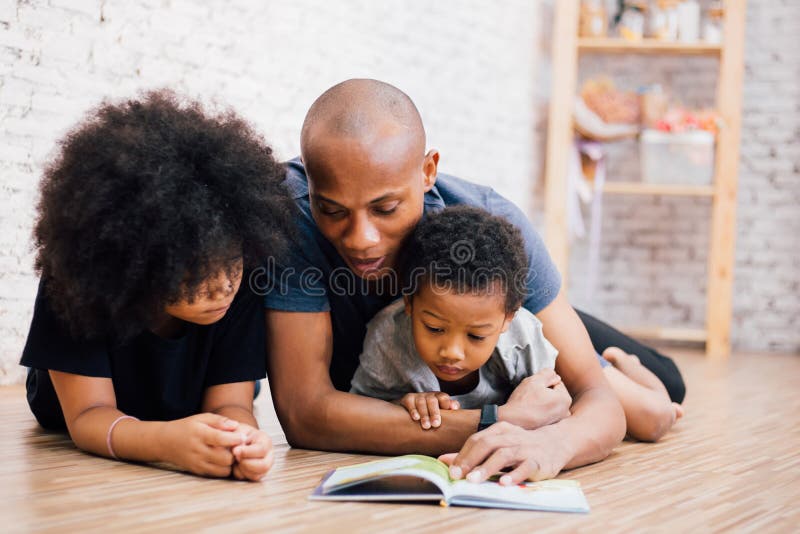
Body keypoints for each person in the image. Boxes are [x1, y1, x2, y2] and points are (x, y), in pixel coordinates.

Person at [262, 78, 685, 484]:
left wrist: (551, 445)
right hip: (448, 363)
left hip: (494, 330)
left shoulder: (491, 222)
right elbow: (306, 415)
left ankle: (618, 364)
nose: (360, 240)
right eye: (332, 210)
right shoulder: (290, 217)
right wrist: (499, 422)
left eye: (386, 208)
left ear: (428, 172)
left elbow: (597, 401)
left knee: (660, 397)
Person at [20, 90, 294, 481]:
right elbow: (87, 416)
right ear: (137, 263)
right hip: (74, 409)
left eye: (232, 263)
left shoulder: (243, 283)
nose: (222, 289)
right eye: (195, 273)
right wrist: (166, 443)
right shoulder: (79, 281)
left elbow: (229, 403)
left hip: (180, 409)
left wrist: (241, 438)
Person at [350, 206, 682, 452]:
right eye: (434, 328)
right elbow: (361, 411)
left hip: (557, 350)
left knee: (653, 416)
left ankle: (626, 364)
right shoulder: (387, 339)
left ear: (508, 318)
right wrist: (402, 405)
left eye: (476, 336)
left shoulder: (520, 336)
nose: (452, 351)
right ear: (409, 304)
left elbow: (565, 402)